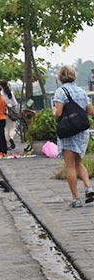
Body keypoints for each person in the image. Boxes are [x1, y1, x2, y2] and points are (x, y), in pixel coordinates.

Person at [52, 65, 94, 208]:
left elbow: (58, 113)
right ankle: (88, 187)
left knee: (70, 165)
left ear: (61, 77)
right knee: (79, 162)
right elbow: (90, 110)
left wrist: (53, 111)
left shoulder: (60, 92)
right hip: (82, 131)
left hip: (68, 131)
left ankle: (75, 199)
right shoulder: (81, 91)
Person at [0, 80, 19, 150]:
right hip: (10, 112)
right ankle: (11, 138)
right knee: (12, 127)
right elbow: (15, 103)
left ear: (0, 86)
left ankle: (8, 143)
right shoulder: (10, 92)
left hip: (3, 112)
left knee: (6, 128)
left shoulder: (0, 94)